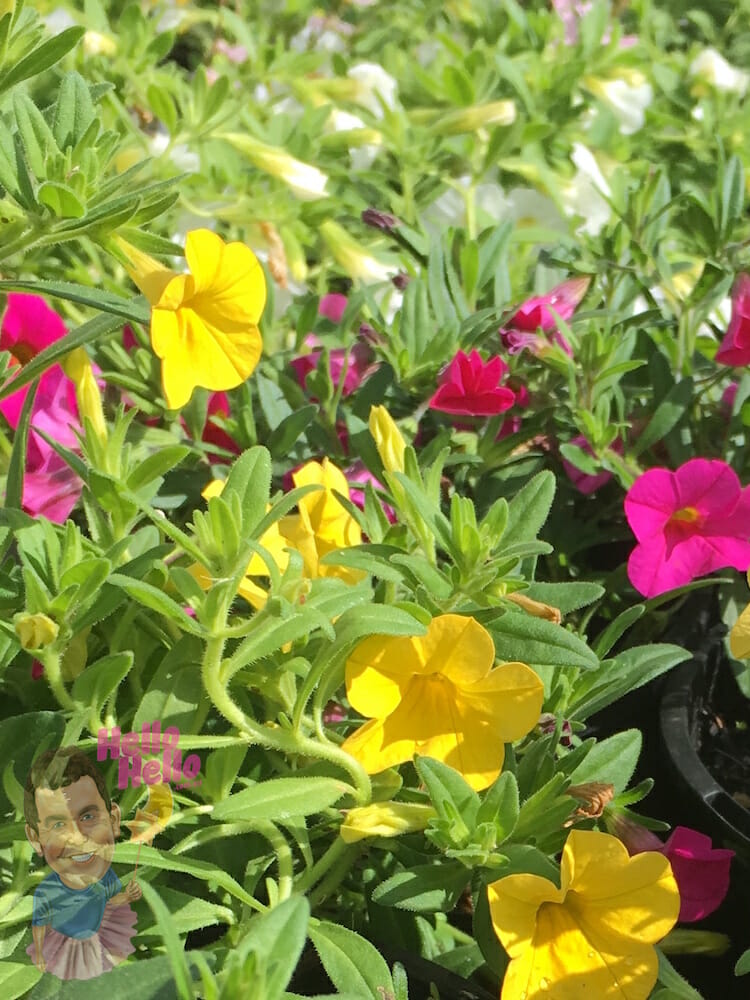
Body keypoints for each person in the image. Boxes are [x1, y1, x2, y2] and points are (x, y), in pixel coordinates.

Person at [23, 747, 141, 981]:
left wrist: (126, 897)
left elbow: (110, 906)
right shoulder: (48, 890)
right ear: (35, 839)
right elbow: (40, 925)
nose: (77, 838)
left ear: (114, 820)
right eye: (57, 826)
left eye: (88, 817)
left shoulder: (107, 878)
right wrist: (38, 954)